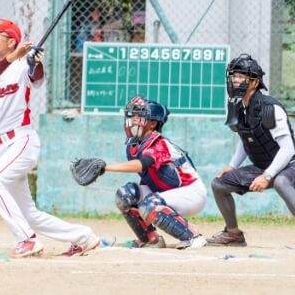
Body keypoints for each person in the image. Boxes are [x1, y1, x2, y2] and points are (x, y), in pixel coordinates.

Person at [0, 18, 100, 258]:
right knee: (28, 214)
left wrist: (33, 60)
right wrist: (13, 58)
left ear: (11, 42)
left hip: (21, 142)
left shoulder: (22, 66)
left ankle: (27, 240)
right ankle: (84, 237)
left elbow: (36, 75)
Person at [207, 54, 295, 246]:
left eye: (240, 76)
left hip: (289, 164)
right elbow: (246, 140)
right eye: (234, 76)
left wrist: (267, 176)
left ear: (254, 82)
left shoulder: (270, 107)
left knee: (281, 182)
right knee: (219, 184)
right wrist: (232, 165)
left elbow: (288, 149)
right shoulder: (238, 107)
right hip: (264, 166)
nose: (235, 80)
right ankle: (233, 234)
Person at [104, 96, 207, 249]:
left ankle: (193, 236)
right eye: (132, 116)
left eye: (139, 117)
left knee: (150, 204)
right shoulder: (134, 145)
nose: (132, 121)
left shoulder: (159, 143)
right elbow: (147, 178)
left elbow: (141, 164)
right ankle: (151, 239)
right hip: (167, 192)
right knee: (126, 195)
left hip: (191, 193)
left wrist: (105, 168)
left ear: (153, 123)